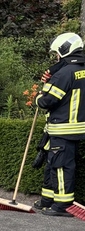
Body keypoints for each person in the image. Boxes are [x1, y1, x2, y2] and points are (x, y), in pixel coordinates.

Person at [34, 32, 85, 217]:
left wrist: (39, 96)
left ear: (64, 50)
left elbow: (47, 101)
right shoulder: (79, 69)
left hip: (62, 127)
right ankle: (47, 200)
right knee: (52, 163)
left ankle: (62, 206)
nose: (56, 56)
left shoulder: (65, 73)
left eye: (57, 53)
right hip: (74, 127)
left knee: (61, 166)